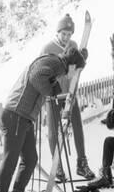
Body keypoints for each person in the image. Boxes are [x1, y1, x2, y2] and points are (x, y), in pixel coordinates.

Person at [0, 46, 87, 192]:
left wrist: (56, 93)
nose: (75, 74)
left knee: (30, 159)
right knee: (10, 159)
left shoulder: (55, 63)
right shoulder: (56, 63)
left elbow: (45, 81)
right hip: (16, 114)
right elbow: (36, 76)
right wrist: (53, 91)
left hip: (24, 117)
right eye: (78, 70)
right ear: (73, 66)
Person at [40, 13, 95, 181]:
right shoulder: (47, 49)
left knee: (77, 126)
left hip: (70, 93)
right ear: (57, 32)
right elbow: (41, 73)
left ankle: (81, 163)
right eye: (63, 33)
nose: (66, 37)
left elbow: (74, 71)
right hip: (53, 95)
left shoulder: (73, 45)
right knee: (53, 132)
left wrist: (82, 61)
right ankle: (58, 167)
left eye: (69, 34)